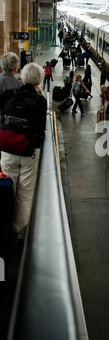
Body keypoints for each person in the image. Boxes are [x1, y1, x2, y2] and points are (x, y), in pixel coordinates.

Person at [0, 63, 47, 247]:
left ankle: (3, 228)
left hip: (6, 149)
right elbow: (41, 129)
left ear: (23, 76)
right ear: (39, 79)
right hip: (28, 153)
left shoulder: (9, 95)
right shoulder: (40, 100)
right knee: (24, 194)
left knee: (6, 190)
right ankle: (18, 235)